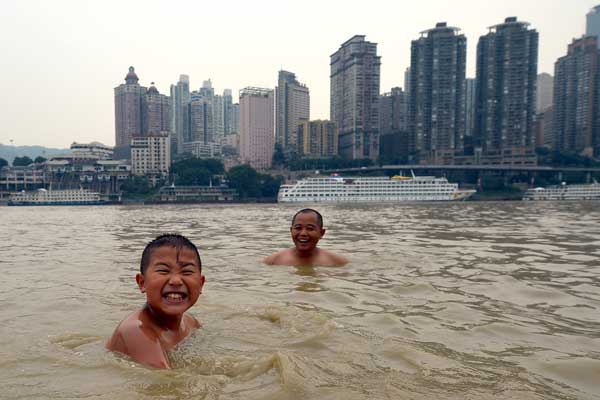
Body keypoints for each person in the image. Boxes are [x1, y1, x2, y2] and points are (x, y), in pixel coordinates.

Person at [106, 234, 206, 369]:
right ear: (142, 283)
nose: (176, 281)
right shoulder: (135, 331)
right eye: (163, 271)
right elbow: (168, 383)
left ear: (201, 284)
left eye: (187, 272)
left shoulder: (191, 323)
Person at [264, 208, 348, 267]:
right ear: (291, 230)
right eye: (298, 228)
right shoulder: (273, 261)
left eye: (310, 228)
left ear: (321, 233)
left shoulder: (337, 262)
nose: (303, 233)